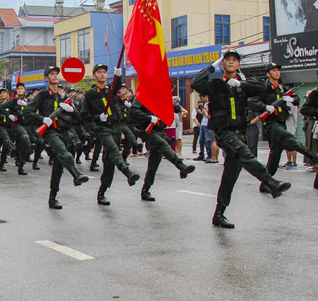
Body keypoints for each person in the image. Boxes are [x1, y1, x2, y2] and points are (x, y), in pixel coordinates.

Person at [192, 50, 291, 229]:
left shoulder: (243, 84)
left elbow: (262, 87)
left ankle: (219, 214)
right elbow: (196, 82)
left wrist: (241, 85)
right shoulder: (214, 84)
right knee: (244, 153)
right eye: (227, 60)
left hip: (241, 132)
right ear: (222, 65)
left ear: (238, 65)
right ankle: (270, 182)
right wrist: (212, 66)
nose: (230, 62)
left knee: (230, 177)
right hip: (224, 132)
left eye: (234, 60)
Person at [24, 66, 89, 209]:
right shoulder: (42, 95)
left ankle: (53, 197)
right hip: (50, 132)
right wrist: (42, 119)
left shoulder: (63, 97)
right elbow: (27, 112)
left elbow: (78, 117)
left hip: (64, 132)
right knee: (61, 151)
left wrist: (72, 110)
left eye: (56, 74)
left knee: (59, 165)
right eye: (52, 74)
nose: (55, 76)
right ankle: (76, 174)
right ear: (46, 78)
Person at [254, 61, 318, 189]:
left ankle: (265, 183)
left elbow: (297, 100)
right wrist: (266, 107)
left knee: (275, 155)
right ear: (268, 74)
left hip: (281, 121)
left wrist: (291, 99)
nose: (277, 73)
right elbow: (253, 103)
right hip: (271, 123)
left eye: (278, 70)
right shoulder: (264, 88)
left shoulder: (282, 88)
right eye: (273, 71)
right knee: (288, 137)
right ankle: (311, 155)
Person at [83, 64, 139, 206]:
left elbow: (117, 87)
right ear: (94, 75)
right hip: (102, 129)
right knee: (114, 150)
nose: (102, 74)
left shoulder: (110, 90)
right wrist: (97, 117)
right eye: (99, 72)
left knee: (109, 163)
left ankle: (102, 193)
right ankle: (128, 173)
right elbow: (84, 115)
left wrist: (118, 76)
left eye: (104, 72)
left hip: (115, 127)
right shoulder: (90, 94)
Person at [127, 97, 195, 201]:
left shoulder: (159, 95)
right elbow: (133, 110)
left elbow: (177, 109)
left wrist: (166, 100)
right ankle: (180, 165)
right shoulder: (142, 95)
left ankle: (145, 190)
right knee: (163, 145)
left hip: (160, 130)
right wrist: (149, 118)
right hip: (148, 130)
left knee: (154, 163)